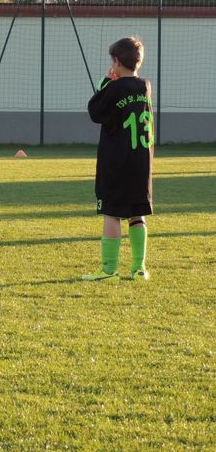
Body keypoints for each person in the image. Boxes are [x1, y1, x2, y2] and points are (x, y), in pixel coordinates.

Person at [82, 36, 153, 281]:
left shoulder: (113, 88)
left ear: (116, 62)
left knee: (111, 213)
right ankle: (139, 268)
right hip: (141, 163)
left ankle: (109, 269)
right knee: (137, 213)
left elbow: (94, 111)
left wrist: (105, 80)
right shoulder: (145, 87)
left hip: (116, 163)